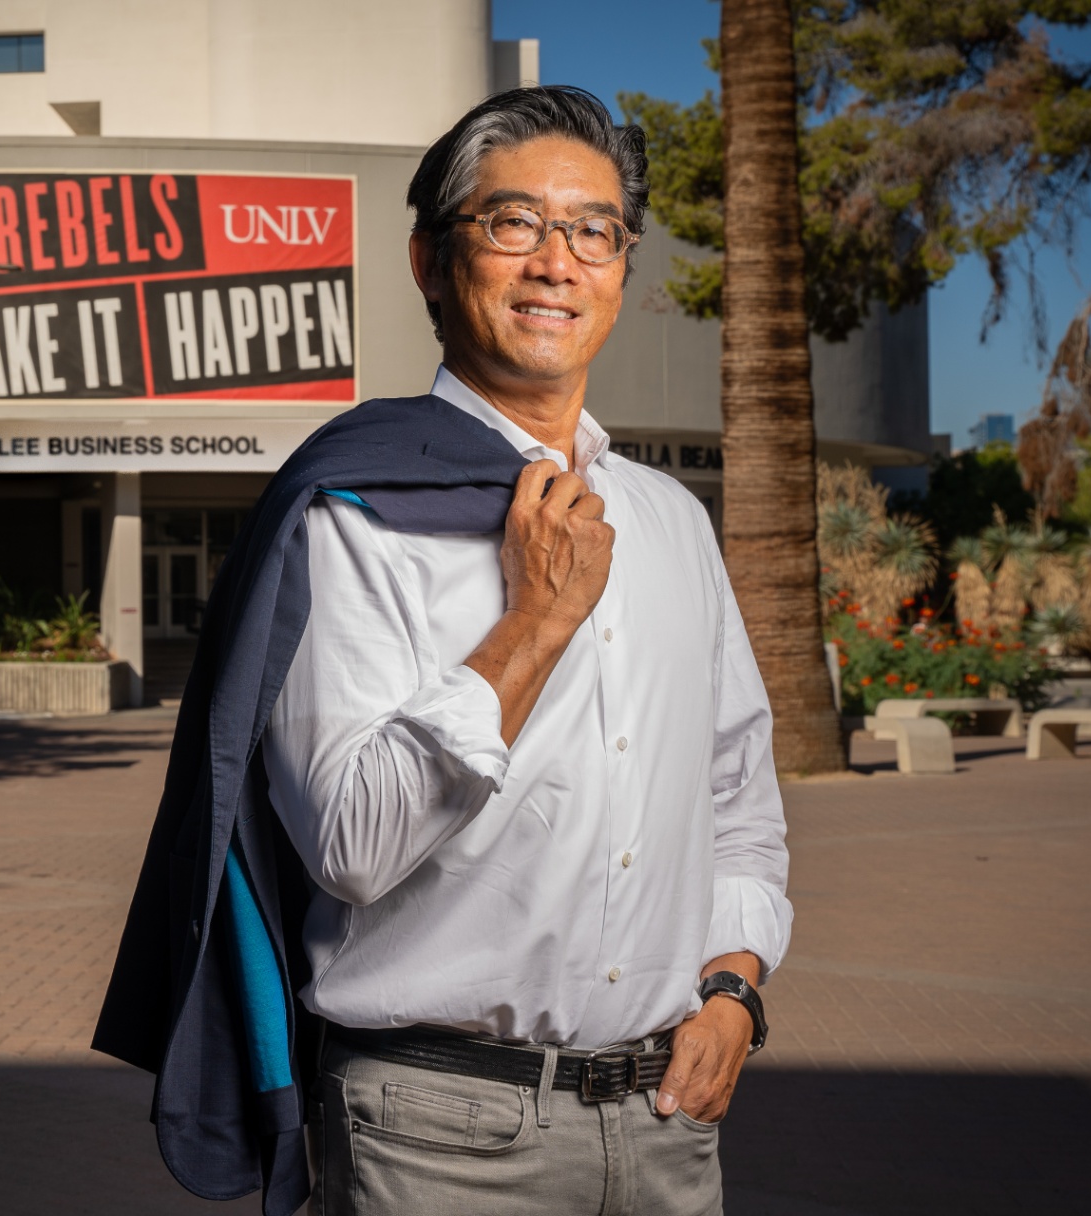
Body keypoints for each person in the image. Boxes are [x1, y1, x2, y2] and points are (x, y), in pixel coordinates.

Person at [95, 86, 789, 1216]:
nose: (556, 262)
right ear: (429, 260)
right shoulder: (354, 513)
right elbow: (354, 845)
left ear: (622, 267)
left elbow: (738, 799)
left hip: (668, 1126)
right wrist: (533, 624)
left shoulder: (670, 522)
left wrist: (734, 990)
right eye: (514, 223)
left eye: (594, 230)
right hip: (439, 1139)